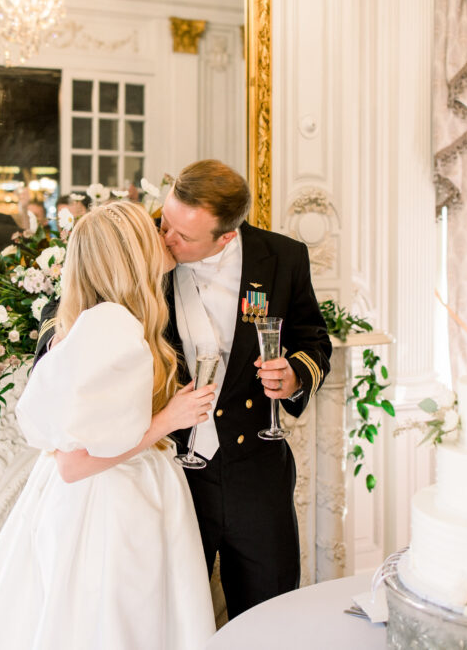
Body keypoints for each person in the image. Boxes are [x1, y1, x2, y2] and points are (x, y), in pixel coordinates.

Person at [36, 159, 332, 619]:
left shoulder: (283, 257)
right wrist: (59, 359)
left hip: (255, 470)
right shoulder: (144, 244)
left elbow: (313, 340)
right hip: (171, 468)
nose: (166, 239)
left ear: (226, 236)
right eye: (165, 223)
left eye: (183, 236)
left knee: (270, 609)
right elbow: (75, 297)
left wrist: (294, 375)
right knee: (174, 614)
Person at [0, 201, 217, 650]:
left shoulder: (102, 321)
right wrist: (169, 420)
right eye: (152, 233)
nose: (163, 239)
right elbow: (73, 464)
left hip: (120, 490)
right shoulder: (111, 327)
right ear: (131, 256)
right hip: (107, 505)